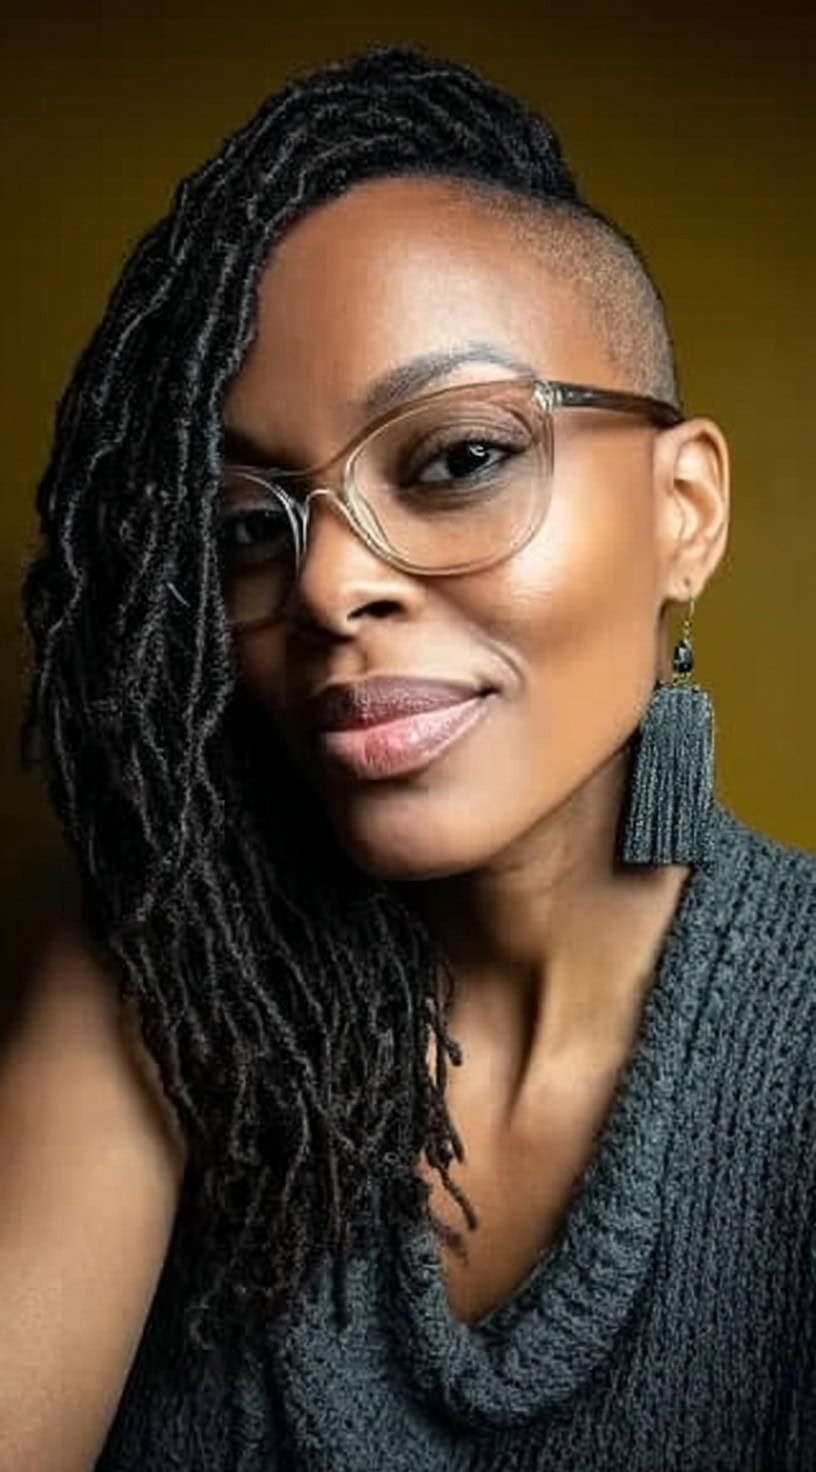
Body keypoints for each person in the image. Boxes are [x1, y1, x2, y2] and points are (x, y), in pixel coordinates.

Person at [4, 42, 814, 1472]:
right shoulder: (177, 973)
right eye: (249, 526)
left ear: (684, 511)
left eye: (455, 461)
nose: (325, 589)